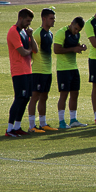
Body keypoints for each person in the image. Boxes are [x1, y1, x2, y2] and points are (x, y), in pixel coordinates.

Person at [5, 8, 38, 137]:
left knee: (25, 98)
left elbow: (35, 50)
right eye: (27, 21)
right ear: (20, 18)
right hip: (18, 71)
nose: (29, 24)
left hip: (27, 70)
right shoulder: (13, 31)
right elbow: (23, 52)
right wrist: (29, 49)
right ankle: (9, 129)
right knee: (19, 98)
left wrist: (30, 36)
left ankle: (17, 127)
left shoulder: (24, 32)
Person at [27, 8, 58, 133]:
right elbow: (30, 50)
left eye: (54, 18)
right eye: (51, 18)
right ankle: (31, 126)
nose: (53, 20)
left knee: (44, 96)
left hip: (47, 71)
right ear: (43, 19)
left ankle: (43, 123)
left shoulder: (50, 34)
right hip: (38, 71)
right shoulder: (37, 33)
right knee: (35, 96)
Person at [53, 17, 88, 129]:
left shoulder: (76, 35)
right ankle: (61, 121)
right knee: (64, 94)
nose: (76, 31)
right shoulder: (61, 33)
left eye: (78, 30)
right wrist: (73, 49)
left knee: (75, 93)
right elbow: (57, 50)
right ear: (71, 23)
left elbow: (74, 46)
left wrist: (80, 47)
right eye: (75, 28)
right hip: (63, 69)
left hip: (73, 67)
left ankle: (73, 120)